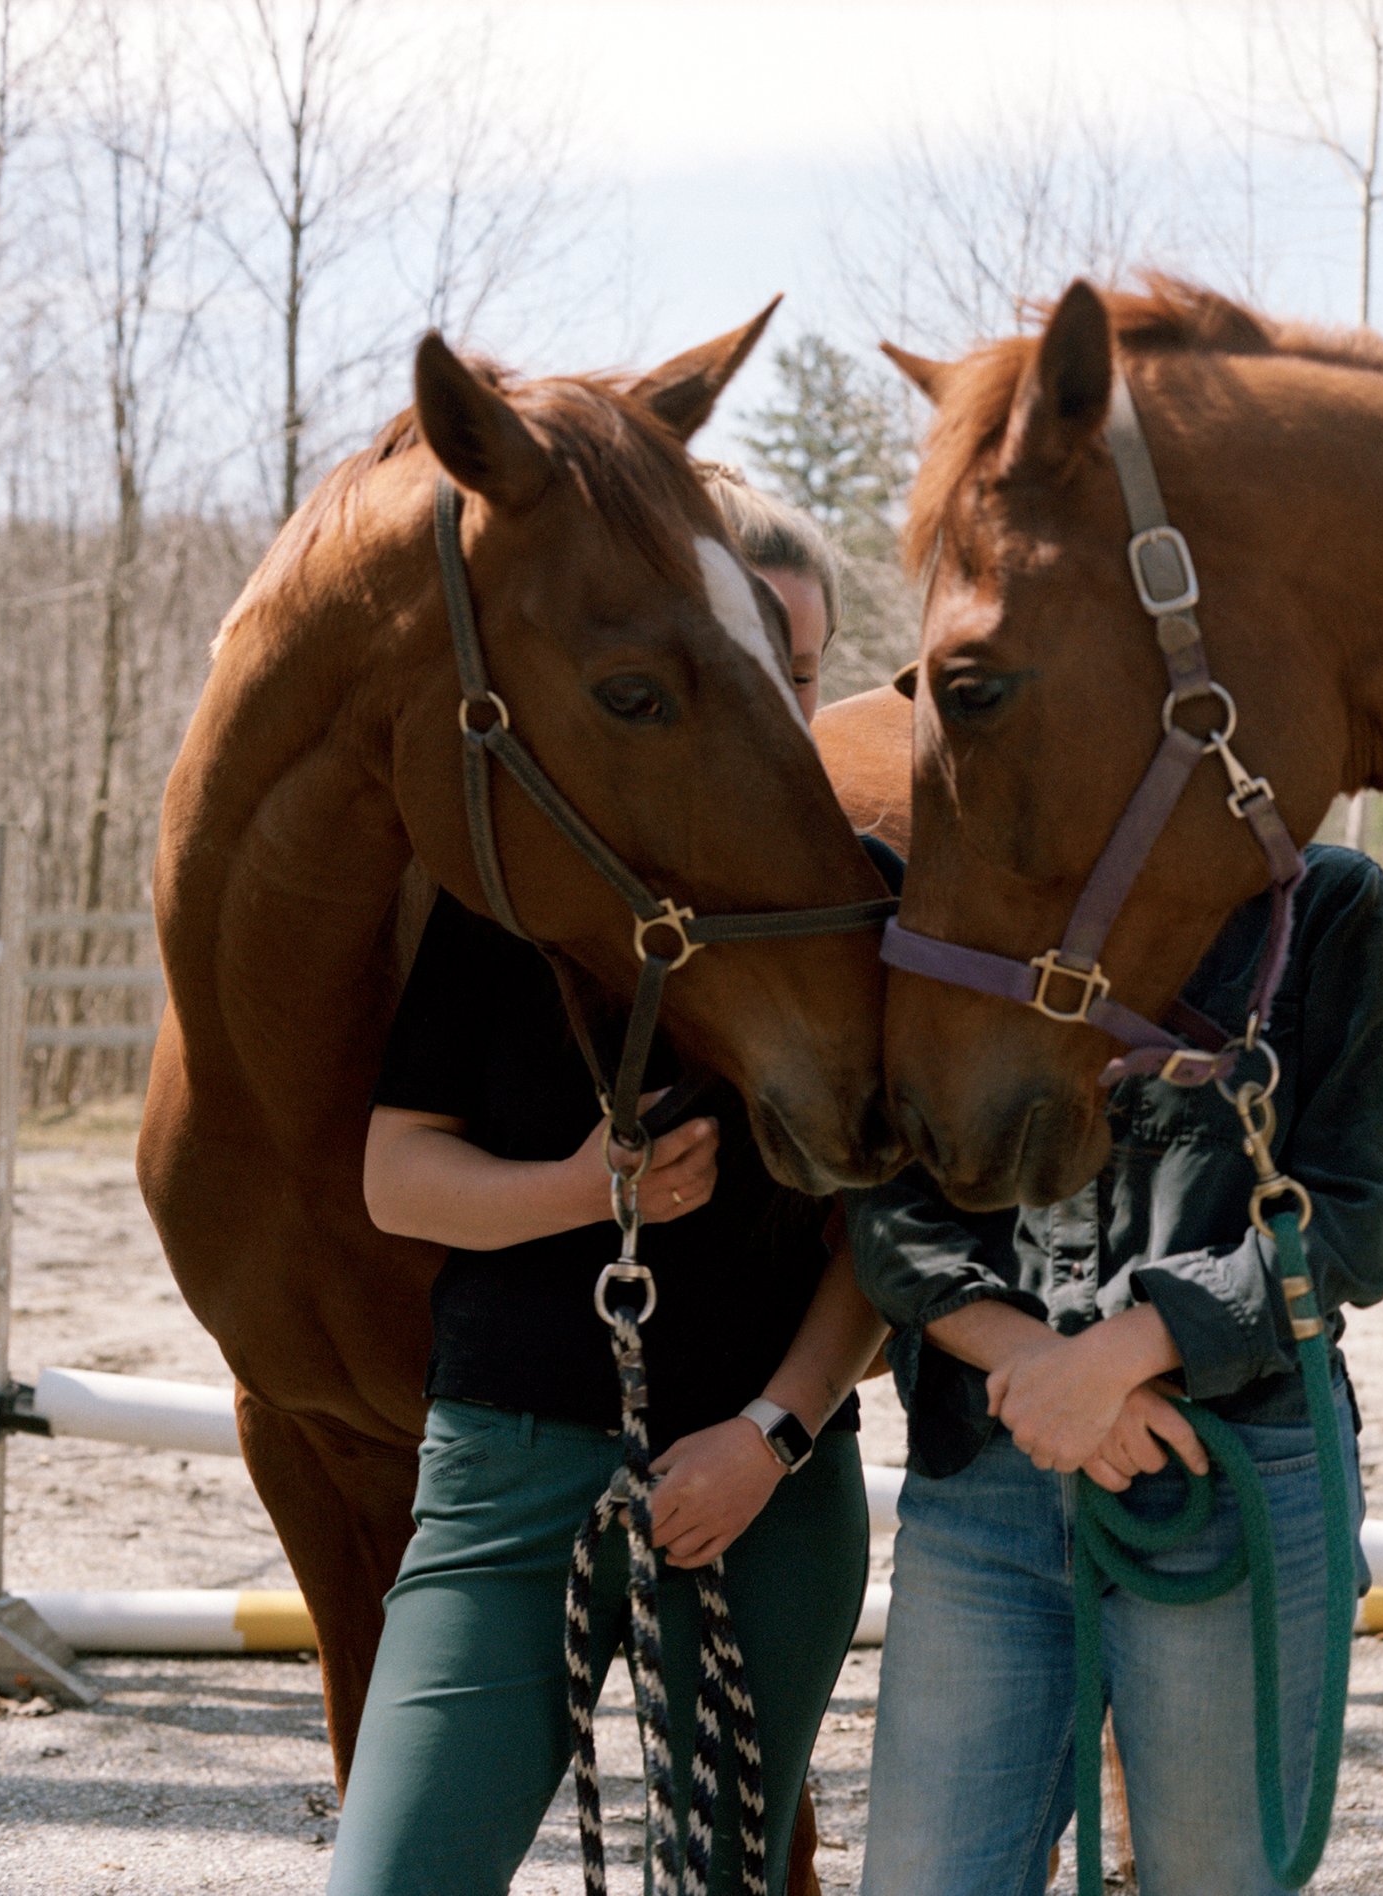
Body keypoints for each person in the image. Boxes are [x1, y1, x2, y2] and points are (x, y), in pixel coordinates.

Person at [327, 482, 875, 1896]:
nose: (781, 708)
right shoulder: (514, 886)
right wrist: (583, 1189)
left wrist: (772, 1434)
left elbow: (890, 1230)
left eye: (803, 675)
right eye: (750, 668)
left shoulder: (867, 901)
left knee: (723, 1880)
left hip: (760, 1482)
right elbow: (398, 1179)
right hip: (507, 1474)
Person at [850, 843, 1383, 1896]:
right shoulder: (952, 905)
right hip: (986, 1479)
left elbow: (1350, 1223)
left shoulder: (1328, 907)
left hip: (1231, 1477)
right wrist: (1038, 1366)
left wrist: (1123, 1352)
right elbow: (888, 1199)